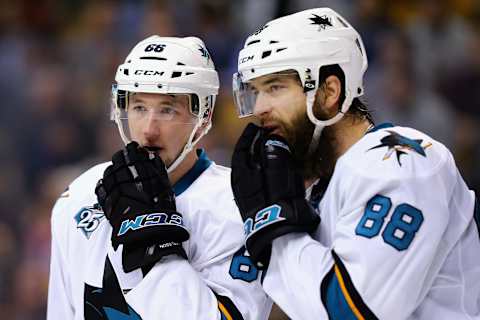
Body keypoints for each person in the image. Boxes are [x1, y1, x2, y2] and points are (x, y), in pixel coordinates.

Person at [231, 7, 480, 320]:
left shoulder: (403, 163)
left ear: (329, 91)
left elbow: (352, 312)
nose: (260, 108)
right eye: (254, 92)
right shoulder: (318, 189)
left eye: (275, 87)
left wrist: (276, 231)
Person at [47, 35, 272, 319]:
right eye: (139, 107)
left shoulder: (239, 206)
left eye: (167, 110)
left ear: (204, 115)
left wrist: (154, 244)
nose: (149, 129)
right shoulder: (80, 195)